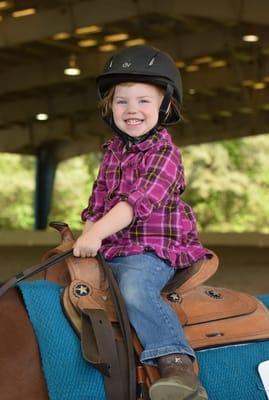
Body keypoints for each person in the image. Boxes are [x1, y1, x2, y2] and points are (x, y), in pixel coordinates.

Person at [73, 45, 212, 400]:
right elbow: (97, 202)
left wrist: (99, 231)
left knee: (135, 288)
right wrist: (89, 229)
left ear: (165, 106)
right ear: (110, 107)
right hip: (113, 246)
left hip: (153, 249)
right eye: (122, 101)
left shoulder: (166, 153)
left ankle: (177, 364)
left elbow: (136, 204)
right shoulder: (111, 154)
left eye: (144, 101)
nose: (132, 110)